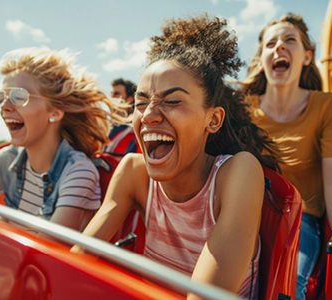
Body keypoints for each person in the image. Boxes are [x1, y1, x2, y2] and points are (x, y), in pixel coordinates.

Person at [74, 15, 280, 299]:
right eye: (141, 102)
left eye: (172, 101)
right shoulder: (133, 172)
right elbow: (77, 260)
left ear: (213, 119)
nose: (148, 115)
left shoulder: (238, 172)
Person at [241, 13, 332, 300]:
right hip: (242, 212)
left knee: (288, 287)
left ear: (307, 57)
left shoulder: (327, 105)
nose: (279, 47)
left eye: (289, 40)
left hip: (298, 220)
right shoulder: (242, 107)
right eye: (271, 44)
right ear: (262, 58)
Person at [0, 47, 120, 231]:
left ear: (54, 112)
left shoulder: (78, 172)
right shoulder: (4, 161)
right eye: (1, 96)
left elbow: (48, 249)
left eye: (18, 96)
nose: (4, 106)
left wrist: (2, 223)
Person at [105, 78, 140, 154]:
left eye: (116, 94)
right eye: (111, 93)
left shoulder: (136, 130)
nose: (111, 97)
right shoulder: (102, 127)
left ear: (129, 99)